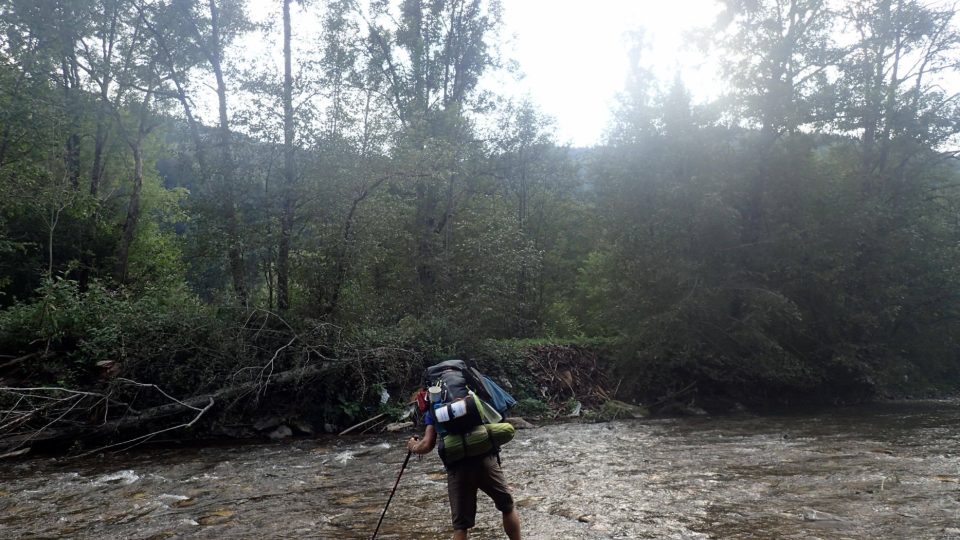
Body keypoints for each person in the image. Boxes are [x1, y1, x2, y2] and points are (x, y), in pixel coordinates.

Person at [407, 413, 521, 540]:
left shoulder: (435, 406)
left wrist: (413, 446)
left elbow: (427, 445)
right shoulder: (473, 396)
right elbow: (496, 424)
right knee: (507, 508)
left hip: (457, 467)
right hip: (485, 461)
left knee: (460, 527)